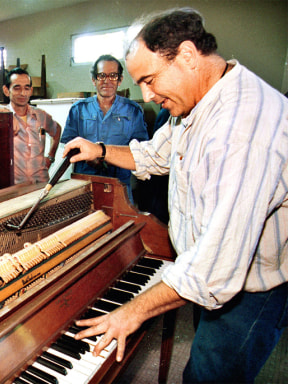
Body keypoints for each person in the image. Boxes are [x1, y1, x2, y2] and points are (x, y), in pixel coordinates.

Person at [63, 8, 288, 383]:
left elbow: (213, 273)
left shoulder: (242, 132)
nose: (147, 95)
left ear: (186, 55)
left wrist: (130, 312)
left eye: (149, 80)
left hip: (251, 292)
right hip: (208, 274)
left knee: (207, 376)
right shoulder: (197, 101)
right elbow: (155, 154)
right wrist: (99, 149)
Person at [60, 54, 148, 202]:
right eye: (101, 76)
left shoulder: (133, 110)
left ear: (120, 80)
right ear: (93, 80)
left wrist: (112, 156)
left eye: (113, 76)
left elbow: (142, 149)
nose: (107, 81)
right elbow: (69, 144)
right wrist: (89, 158)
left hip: (120, 184)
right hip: (85, 183)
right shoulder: (78, 109)